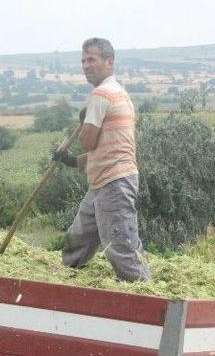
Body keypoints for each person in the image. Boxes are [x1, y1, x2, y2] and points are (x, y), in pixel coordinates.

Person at [53, 37, 150, 282]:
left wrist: (86, 122)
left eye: (92, 60)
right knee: (80, 238)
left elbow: (88, 141)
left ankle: (144, 294)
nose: (86, 65)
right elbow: (102, 150)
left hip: (114, 183)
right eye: (83, 60)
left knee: (120, 248)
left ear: (109, 62)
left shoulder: (102, 94)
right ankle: (66, 281)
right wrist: (71, 160)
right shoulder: (119, 93)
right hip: (104, 181)